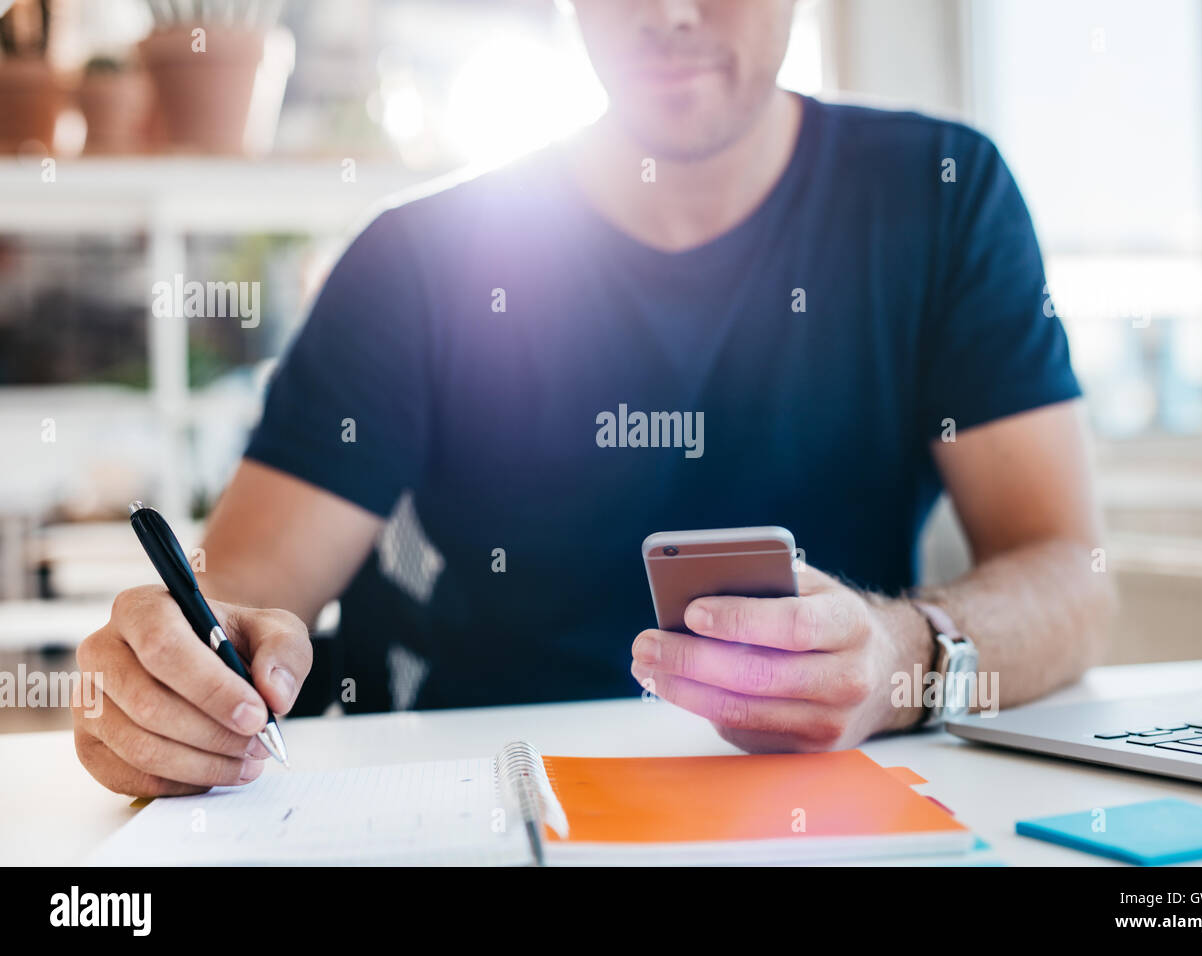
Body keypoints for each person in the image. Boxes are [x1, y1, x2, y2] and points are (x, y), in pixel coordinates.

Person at [74, 0, 1115, 796]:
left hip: (825, 806)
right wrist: (169, 681)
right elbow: (245, 598)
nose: (670, 12)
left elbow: (1071, 574)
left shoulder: (940, 195)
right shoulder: (417, 261)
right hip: (485, 804)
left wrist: (906, 656)